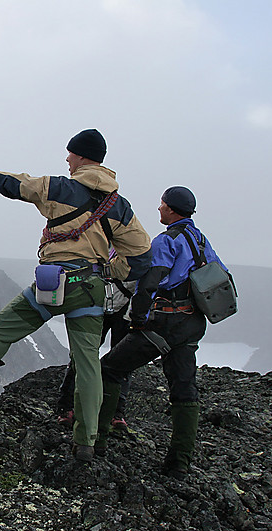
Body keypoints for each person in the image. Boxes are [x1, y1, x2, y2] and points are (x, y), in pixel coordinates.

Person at [0, 129, 152, 462]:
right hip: (93, 289)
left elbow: (11, 183)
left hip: (56, 283)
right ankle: (87, 440)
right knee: (87, 364)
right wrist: (110, 271)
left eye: (70, 154)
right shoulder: (119, 205)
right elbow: (142, 255)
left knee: (0, 329)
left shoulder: (59, 188)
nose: (67, 159)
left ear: (82, 156)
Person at [96, 185, 229, 478]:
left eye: (161, 204)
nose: (158, 209)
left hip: (165, 322)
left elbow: (150, 282)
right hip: (193, 325)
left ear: (170, 208)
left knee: (109, 369)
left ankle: (98, 444)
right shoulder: (201, 239)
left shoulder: (166, 241)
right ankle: (178, 465)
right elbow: (222, 275)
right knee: (184, 389)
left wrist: (138, 320)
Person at [56, 274, 135, 430]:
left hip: (109, 299)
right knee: (88, 354)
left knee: (117, 358)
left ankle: (68, 408)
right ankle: (112, 412)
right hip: (105, 299)